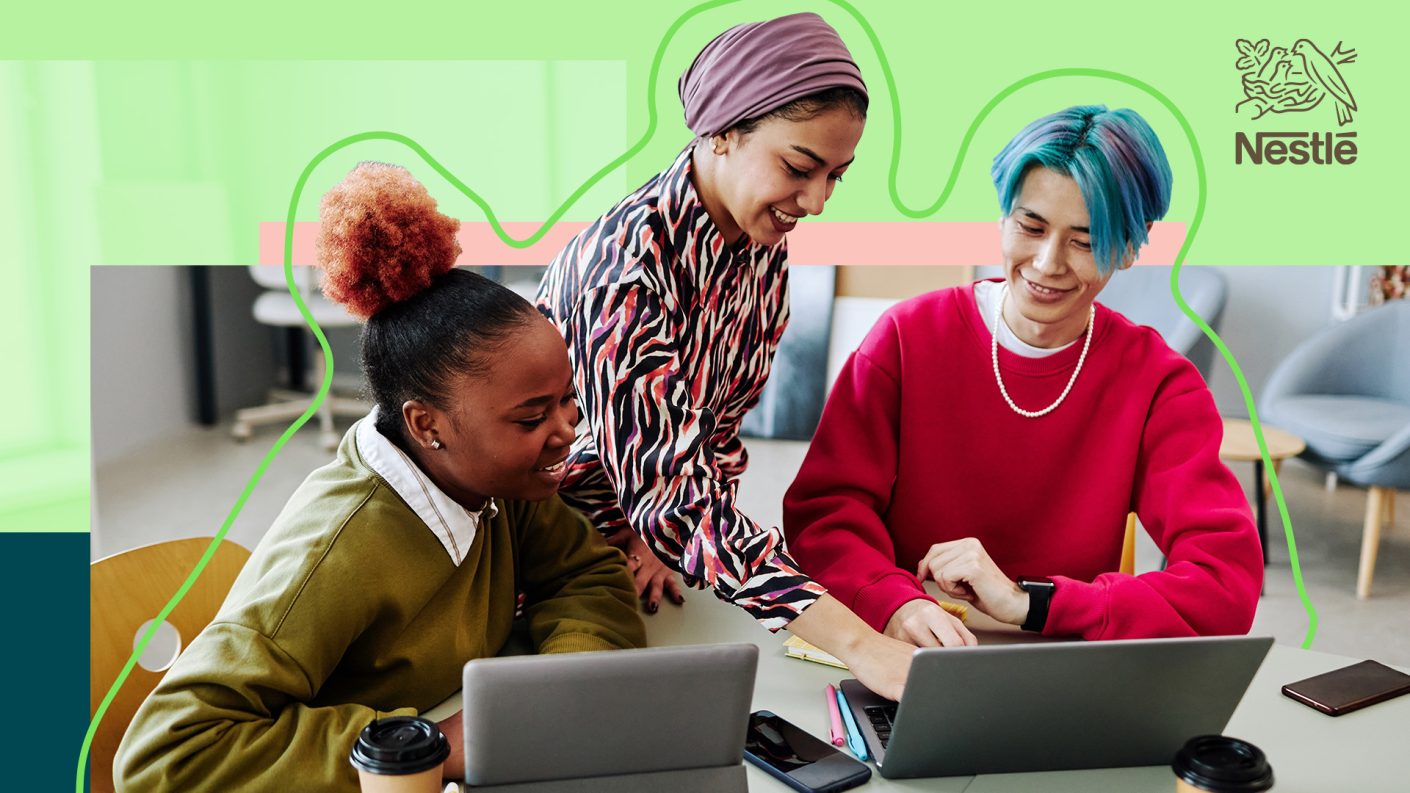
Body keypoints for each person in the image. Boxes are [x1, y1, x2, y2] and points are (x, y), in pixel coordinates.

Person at [115, 163, 645, 792]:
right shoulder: (339, 551)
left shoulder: (498, 477)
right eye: (533, 415)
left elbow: (584, 571)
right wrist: (433, 746)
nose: (567, 428)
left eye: (566, 398)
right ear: (428, 426)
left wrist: (556, 689)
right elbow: (162, 757)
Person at [537, 11, 918, 699]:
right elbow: (673, 497)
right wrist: (862, 646)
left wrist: (652, 540)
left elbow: (714, 433)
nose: (817, 201)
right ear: (721, 130)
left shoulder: (760, 251)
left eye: (837, 176)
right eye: (800, 168)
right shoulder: (622, 272)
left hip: (635, 544)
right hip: (537, 547)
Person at [784, 105, 1263, 647]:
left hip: (1053, 662)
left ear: (1132, 244)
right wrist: (893, 603)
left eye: (1083, 241)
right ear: (1002, 218)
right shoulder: (906, 338)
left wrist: (1029, 602)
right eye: (1030, 227)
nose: (1046, 263)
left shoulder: (1157, 384)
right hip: (902, 646)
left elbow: (1225, 585)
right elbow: (823, 518)